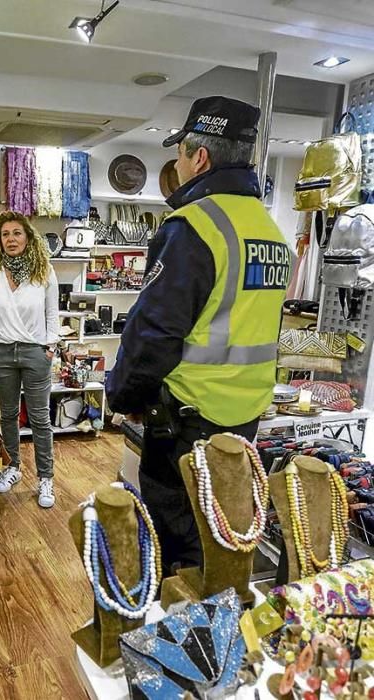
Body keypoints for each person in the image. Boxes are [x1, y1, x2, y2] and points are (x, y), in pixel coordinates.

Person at [107, 96, 291, 575]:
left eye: (182, 154)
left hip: (187, 423)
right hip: (244, 418)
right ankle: (224, 638)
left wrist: (124, 393)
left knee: (182, 556)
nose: (180, 164)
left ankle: (186, 645)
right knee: (226, 541)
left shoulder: (193, 227)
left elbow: (155, 333)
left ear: (201, 158)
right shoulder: (269, 230)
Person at [0, 211, 60, 508]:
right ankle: (12, 468)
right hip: (0, 352)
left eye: (17, 233)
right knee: (8, 415)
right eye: (5, 234)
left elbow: (52, 313)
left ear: (28, 237)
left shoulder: (44, 271)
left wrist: (50, 347)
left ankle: (45, 478)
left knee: (40, 418)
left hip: (36, 352)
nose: (11, 239)